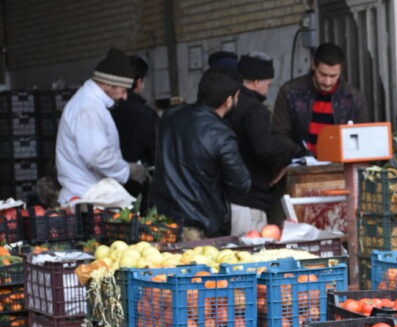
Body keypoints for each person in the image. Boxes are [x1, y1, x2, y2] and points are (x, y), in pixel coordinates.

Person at [148, 67, 251, 241]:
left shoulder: (169, 116)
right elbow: (241, 185)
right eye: (237, 96)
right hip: (199, 228)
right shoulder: (222, 134)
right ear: (228, 100)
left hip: (162, 224)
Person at [56, 48, 149, 205]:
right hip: (85, 199)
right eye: (123, 90)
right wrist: (128, 170)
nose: (125, 97)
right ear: (106, 84)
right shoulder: (88, 108)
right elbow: (98, 156)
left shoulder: (92, 104)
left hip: (93, 196)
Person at [229, 52, 306, 236]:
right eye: (268, 85)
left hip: (230, 199)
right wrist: (293, 155)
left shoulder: (229, 104)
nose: (268, 90)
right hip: (250, 201)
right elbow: (265, 147)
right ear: (256, 82)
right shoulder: (253, 109)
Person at [272, 43, 369, 156]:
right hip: (301, 165)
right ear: (313, 65)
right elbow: (280, 134)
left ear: (341, 71)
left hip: (341, 166)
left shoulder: (354, 98)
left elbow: (363, 138)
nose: (327, 82)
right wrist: (301, 153)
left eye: (333, 76)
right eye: (323, 74)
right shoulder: (290, 92)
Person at [110, 55, 158, 199]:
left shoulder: (107, 110)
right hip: (138, 188)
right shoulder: (147, 115)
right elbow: (156, 155)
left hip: (107, 187)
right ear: (139, 82)